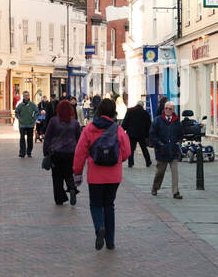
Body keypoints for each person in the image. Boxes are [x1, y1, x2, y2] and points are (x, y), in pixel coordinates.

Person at [73, 97, 131, 250]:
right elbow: (126, 152)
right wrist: (118, 160)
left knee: (96, 204)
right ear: (113, 112)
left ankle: (99, 228)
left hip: (95, 175)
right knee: (109, 205)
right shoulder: (117, 129)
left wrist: (77, 173)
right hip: (113, 175)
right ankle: (110, 241)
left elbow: (80, 153)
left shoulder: (89, 129)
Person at [42, 98, 82, 206]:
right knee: (69, 173)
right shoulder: (75, 123)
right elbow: (79, 139)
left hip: (56, 153)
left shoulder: (54, 121)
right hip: (71, 153)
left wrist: (45, 152)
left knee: (57, 176)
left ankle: (59, 199)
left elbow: (48, 137)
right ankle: (72, 188)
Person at [150, 101, 184, 199]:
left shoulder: (177, 121)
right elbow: (152, 135)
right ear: (164, 109)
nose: (168, 110)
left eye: (170, 109)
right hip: (162, 151)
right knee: (160, 172)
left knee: (175, 172)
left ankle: (175, 192)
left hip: (173, 150)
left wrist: (179, 142)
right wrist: (160, 144)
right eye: (166, 108)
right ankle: (155, 187)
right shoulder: (157, 120)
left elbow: (181, 134)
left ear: (173, 110)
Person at [121, 99, 153, 168]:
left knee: (131, 149)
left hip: (131, 133)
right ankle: (148, 162)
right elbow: (148, 125)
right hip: (141, 134)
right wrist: (147, 135)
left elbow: (125, 121)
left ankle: (130, 163)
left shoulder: (130, 111)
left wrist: (123, 129)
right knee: (144, 148)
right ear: (142, 106)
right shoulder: (145, 113)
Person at [16, 93, 38, 158]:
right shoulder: (20, 105)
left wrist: (33, 119)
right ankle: (22, 153)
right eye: (25, 96)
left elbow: (37, 112)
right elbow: (16, 112)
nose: (26, 97)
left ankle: (29, 152)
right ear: (23, 96)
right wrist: (19, 118)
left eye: (27, 95)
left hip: (30, 125)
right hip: (22, 125)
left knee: (30, 139)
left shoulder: (32, 104)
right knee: (22, 138)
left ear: (29, 96)